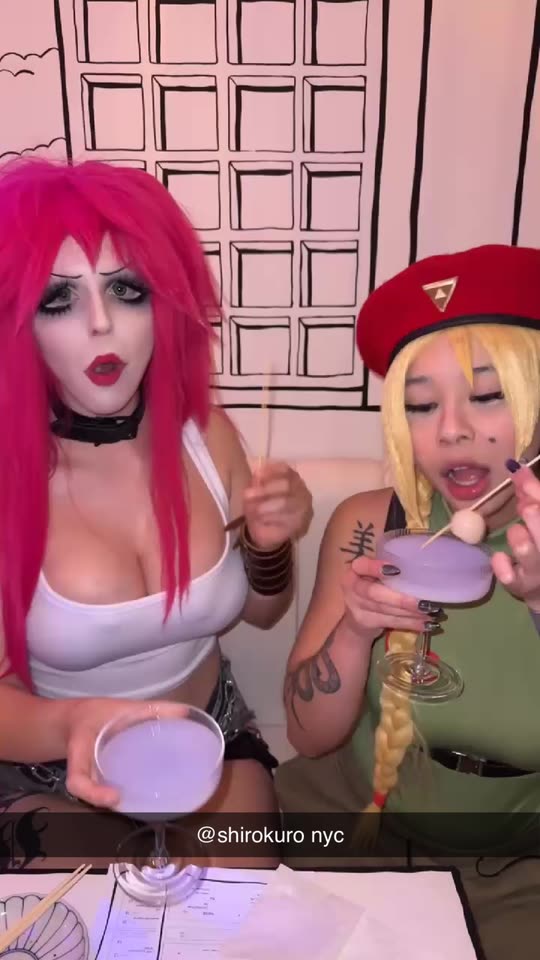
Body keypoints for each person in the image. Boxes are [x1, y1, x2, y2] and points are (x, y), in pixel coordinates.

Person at [0, 156, 313, 868]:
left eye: (127, 289)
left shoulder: (208, 437)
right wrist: (76, 724)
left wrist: (269, 545)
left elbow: (263, 612)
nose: (102, 323)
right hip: (48, 769)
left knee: (236, 911)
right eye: (57, 299)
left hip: (208, 740)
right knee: (107, 918)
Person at [275, 244, 540, 958]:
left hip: (515, 869)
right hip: (352, 820)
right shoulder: (369, 523)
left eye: (488, 395)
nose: (450, 429)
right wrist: (354, 631)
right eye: (421, 405)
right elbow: (307, 735)